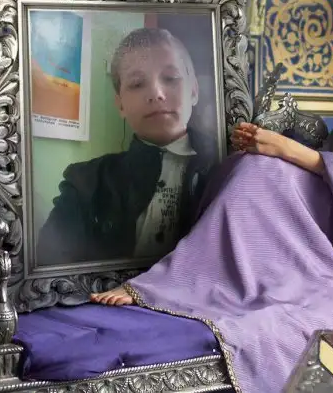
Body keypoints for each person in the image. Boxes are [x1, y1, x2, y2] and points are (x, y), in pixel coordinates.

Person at [90, 18, 333, 392]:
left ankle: (178, 281)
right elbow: (327, 173)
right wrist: (267, 149)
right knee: (248, 166)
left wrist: (286, 149)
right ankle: (202, 279)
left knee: (268, 168)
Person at [37, 28, 218, 266]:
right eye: (137, 83)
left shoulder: (229, 167)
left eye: (170, 78)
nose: (156, 94)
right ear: (120, 104)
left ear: (194, 90)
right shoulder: (85, 184)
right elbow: (49, 264)